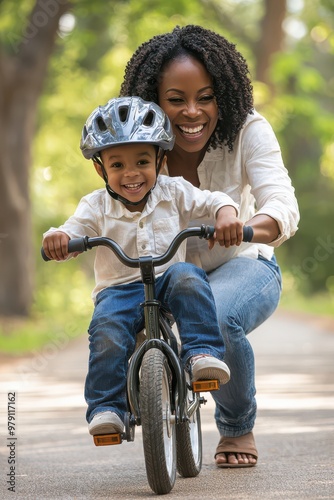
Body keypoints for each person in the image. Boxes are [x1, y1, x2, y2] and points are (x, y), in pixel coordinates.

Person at [120, 25, 300, 467]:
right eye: (176, 100)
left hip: (243, 262)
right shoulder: (136, 143)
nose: (192, 112)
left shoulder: (248, 130)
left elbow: (282, 203)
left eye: (205, 97)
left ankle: (237, 426)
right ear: (153, 101)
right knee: (116, 320)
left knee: (217, 317)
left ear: (224, 95)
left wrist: (247, 226)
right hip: (170, 268)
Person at [42, 96, 246, 437]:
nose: (131, 173)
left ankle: (201, 355)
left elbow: (213, 200)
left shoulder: (174, 190)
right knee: (106, 330)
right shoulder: (95, 206)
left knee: (188, 276)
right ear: (100, 169)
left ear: (160, 159)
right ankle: (108, 407)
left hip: (167, 279)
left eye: (141, 161)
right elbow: (71, 229)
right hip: (118, 291)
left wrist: (225, 214)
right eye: (118, 165)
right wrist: (58, 238)